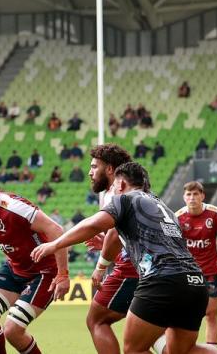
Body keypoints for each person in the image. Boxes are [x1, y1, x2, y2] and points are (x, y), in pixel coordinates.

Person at [32, 162, 217, 354]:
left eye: (114, 186)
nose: (113, 190)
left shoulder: (126, 199)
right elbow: (154, 243)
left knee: (134, 349)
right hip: (195, 282)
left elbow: (93, 224)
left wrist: (55, 244)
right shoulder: (164, 208)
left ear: (120, 184)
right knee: (184, 351)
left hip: (162, 281)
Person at [0, 166, 70, 354]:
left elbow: (56, 230)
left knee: (13, 331)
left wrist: (63, 274)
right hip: (15, 268)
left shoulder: (15, 208)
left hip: (44, 272)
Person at [81, 143, 135, 354]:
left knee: (96, 320)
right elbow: (123, 233)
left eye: (94, 167)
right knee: (148, 336)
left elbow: (113, 234)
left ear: (110, 169)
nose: (90, 172)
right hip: (153, 266)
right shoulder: (135, 188)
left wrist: (100, 267)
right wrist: (106, 242)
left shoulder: (115, 192)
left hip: (132, 266)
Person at [176, 181, 217, 348]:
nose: (192, 198)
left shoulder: (215, 215)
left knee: (211, 313)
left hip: (210, 271)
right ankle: (183, 347)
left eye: (195, 194)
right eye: (189, 194)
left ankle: (212, 349)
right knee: (184, 314)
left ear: (202, 196)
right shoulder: (177, 217)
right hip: (186, 273)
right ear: (184, 197)